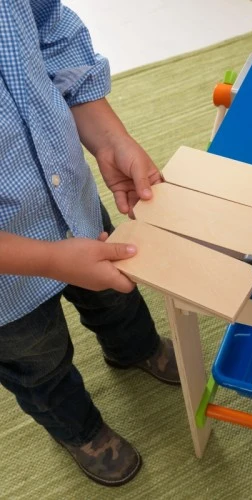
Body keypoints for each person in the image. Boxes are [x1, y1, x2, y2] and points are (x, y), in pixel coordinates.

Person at [0, 0, 180, 486]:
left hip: (71, 203)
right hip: (5, 288)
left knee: (116, 295)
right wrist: (49, 260)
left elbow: (51, 31)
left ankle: (134, 348)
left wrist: (109, 138)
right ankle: (79, 430)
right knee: (38, 363)